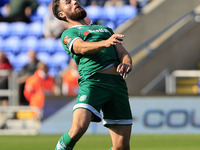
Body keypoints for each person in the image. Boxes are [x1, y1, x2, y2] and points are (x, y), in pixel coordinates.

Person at [52, 0, 133, 150]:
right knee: (78, 129)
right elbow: (80, 47)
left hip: (117, 85)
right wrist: (105, 43)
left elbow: (123, 53)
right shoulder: (69, 33)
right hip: (93, 83)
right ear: (62, 14)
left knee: (121, 147)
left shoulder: (105, 29)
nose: (75, 2)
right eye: (68, 2)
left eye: (74, 0)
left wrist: (126, 63)